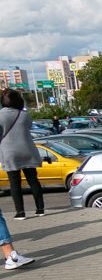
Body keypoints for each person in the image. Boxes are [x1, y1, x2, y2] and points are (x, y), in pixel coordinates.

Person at [0, 88, 45, 220]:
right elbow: (28, 127)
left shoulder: (1, 115)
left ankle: (20, 212)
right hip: (28, 149)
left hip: (10, 152)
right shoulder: (25, 115)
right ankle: (40, 209)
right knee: (33, 180)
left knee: (14, 183)